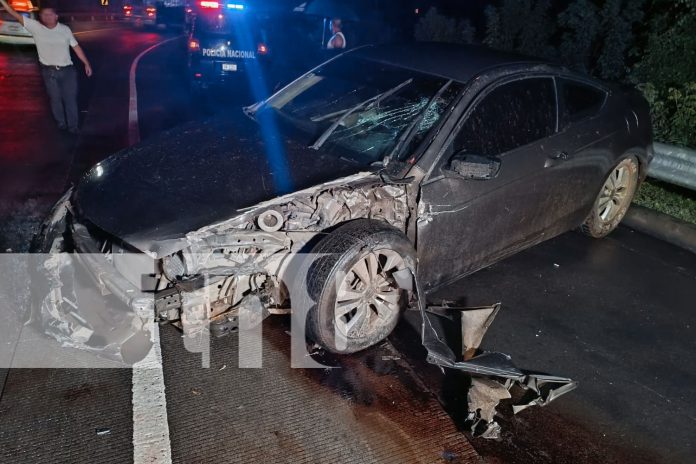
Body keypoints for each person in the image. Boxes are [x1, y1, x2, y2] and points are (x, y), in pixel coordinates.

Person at [0, 0, 92, 134]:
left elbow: (76, 47)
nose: (47, 17)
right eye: (44, 15)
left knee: (69, 99)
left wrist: (86, 63)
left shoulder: (64, 30)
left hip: (67, 71)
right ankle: (61, 122)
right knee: (55, 99)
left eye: (50, 14)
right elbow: (15, 14)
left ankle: (73, 126)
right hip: (49, 72)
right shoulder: (36, 27)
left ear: (56, 16)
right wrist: (3, 2)